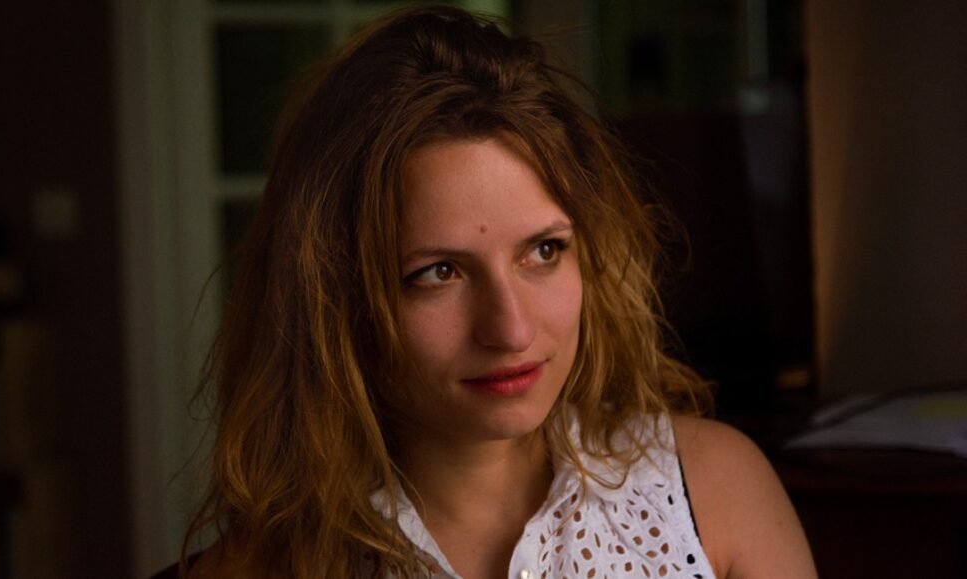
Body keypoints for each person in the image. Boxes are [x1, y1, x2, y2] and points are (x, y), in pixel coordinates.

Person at [172, 6, 816, 578]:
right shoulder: (261, 567)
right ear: (336, 301)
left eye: (543, 251)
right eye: (439, 273)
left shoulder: (715, 492)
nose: (510, 331)